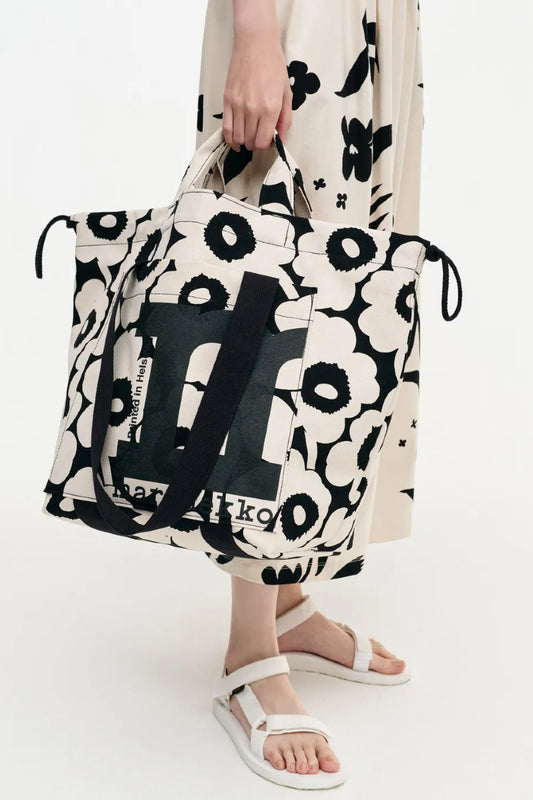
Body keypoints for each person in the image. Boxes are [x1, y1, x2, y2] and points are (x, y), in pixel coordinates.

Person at [197, 0, 424, 788]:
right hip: (300, 25)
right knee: (270, 319)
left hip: (377, 25)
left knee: (342, 306)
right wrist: (257, 34)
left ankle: (285, 598)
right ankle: (248, 652)